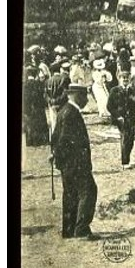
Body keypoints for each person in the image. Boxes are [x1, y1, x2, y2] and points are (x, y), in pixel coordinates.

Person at [49, 84, 99, 240]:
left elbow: (55, 137)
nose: (86, 100)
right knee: (88, 191)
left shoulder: (64, 110)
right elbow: (63, 139)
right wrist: (59, 154)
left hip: (67, 164)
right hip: (76, 163)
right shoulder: (72, 113)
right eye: (85, 97)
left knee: (70, 194)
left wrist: (55, 155)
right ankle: (82, 229)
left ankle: (69, 230)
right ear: (78, 96)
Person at [107, 71, 135, 170]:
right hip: (121, 119)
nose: (125, 80)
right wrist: (118, 116)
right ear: (119, 79)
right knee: (125, 138)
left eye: (127, 78)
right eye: (123, 78)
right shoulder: (114, 90)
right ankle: (125, 162)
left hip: (131, 118)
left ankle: (128, 158)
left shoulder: (132, 90)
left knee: (131, 139)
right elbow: (109, 106)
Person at [23, 66, 50, 146]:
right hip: (38, 107)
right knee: (39, 123)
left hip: (28, 107)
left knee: (29, 124)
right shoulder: (38, 84)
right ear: (35, 75)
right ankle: (39, 141)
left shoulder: (24, 84)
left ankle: (29, 141)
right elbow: (42, 96)